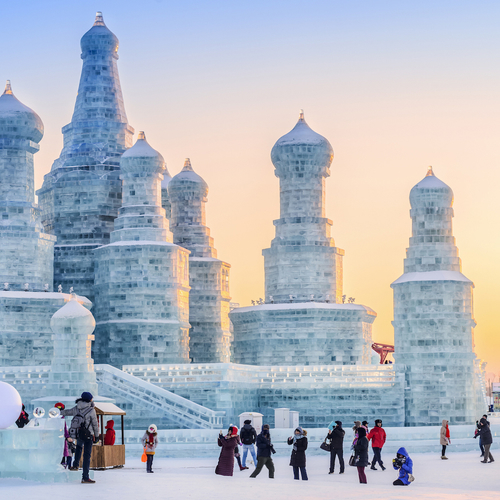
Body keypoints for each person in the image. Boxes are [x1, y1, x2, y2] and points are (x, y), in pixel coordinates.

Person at [61, 392, 99, 484]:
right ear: (89, 399)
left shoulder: (77, 407)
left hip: (78, 434)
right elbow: (95, 424)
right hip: (88, 435)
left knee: (78, 447)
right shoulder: (91, 410)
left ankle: (75, 465)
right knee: (87, 456)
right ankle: (85, 477)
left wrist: (57, 412)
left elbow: (67, 412)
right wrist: (97, 436)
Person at [55, 402, 74, 469]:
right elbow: (64, 428)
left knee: (59, 452)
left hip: (55, 437)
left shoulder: (52, 417)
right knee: (62, 451)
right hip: (60, 438)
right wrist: (67, 436)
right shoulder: (62, 418)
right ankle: (63, 464)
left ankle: (60, 464)